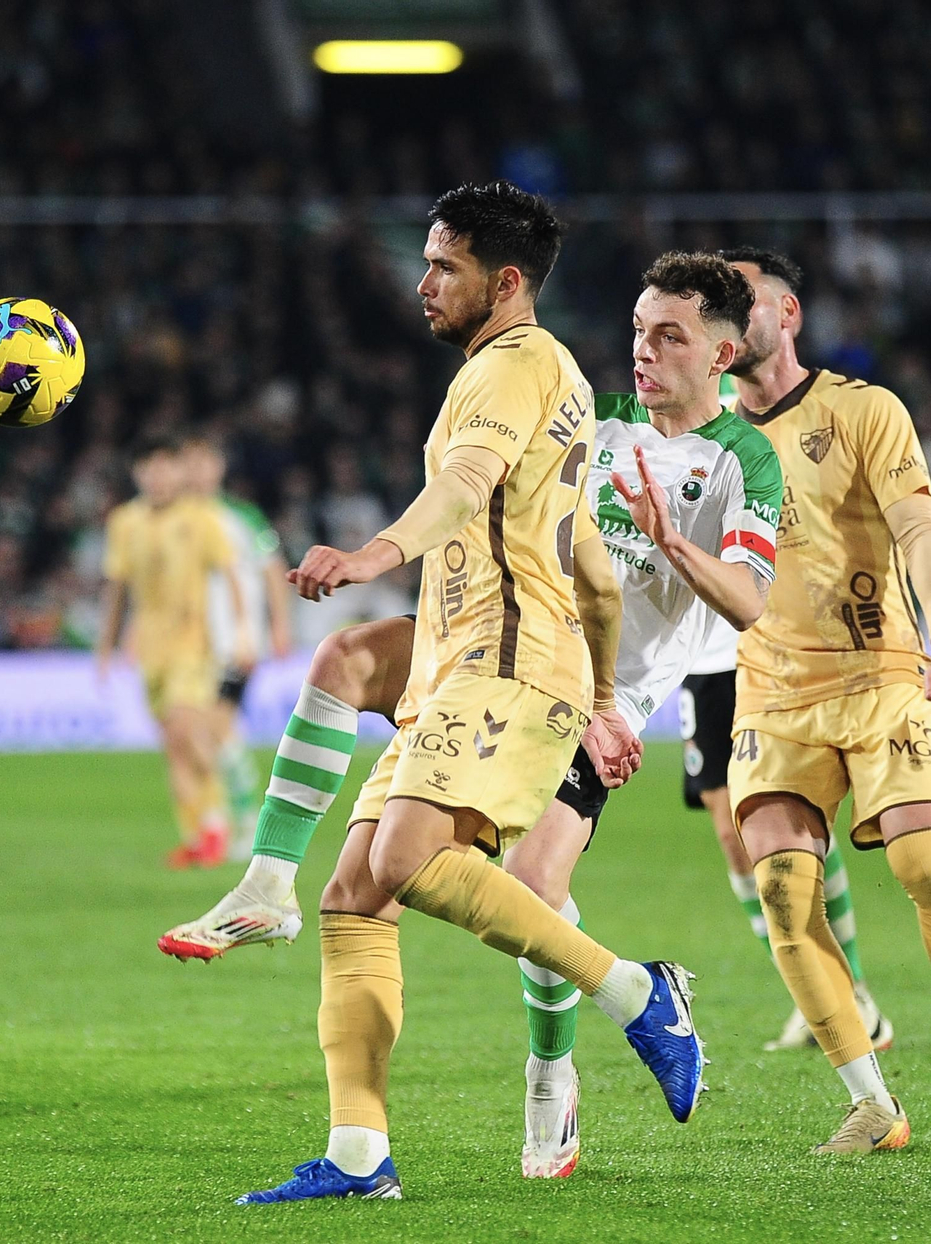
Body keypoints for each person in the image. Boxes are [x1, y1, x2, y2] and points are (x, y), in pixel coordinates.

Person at [163, 250, 783, 1182]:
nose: (644, 353)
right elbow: (554, 545)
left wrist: (657, 576)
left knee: (524, 886)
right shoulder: (594, 420)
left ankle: (553, 1066)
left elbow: (747, 602)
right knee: (346, 679)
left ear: (725, 353)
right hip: (497, 641)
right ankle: (351, 1125)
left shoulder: (744, 460)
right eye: (637, 333)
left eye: (670, 337)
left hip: (586, 682)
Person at [722, 246, 931, 1154]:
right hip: (769, 691)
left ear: (787, 312)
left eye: (742, 298)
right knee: (785, 900)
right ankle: (871, 1101)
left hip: (879, 675)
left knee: (926, 868)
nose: (727, 314)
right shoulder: (698, 432)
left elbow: (918, 526)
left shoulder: (863, 410)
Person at [680, 612, 893, 1053]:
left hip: (770, 645)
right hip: (701, 656)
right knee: (733, 839)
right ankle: (814, 993)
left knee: (792, 817)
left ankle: (850, 991)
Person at [96, 435, 250, 868]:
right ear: (138, 473)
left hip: (192, 647)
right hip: (150, 650)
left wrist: (240, 631)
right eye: (150, 466)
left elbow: (231, 576)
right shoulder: (125, 522)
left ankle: (219, 821)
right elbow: (118, 591)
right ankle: (196, 834)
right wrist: (105, 646)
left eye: (167, 466)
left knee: (186, 728)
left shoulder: (200, 519)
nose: (159, 475)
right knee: (174, 745)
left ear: (178, 472)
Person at [179, 435, 292, 860]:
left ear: (218, 467)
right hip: (189, 645)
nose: (196, 471)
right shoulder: (177, 520)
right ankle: (223, 820)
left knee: (217, 726)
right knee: (200, 732)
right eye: (188, 462)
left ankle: (244, 820)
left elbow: (272, 568)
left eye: (204, 462)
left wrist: (278, 626)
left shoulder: (242, 517)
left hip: (236, 639)